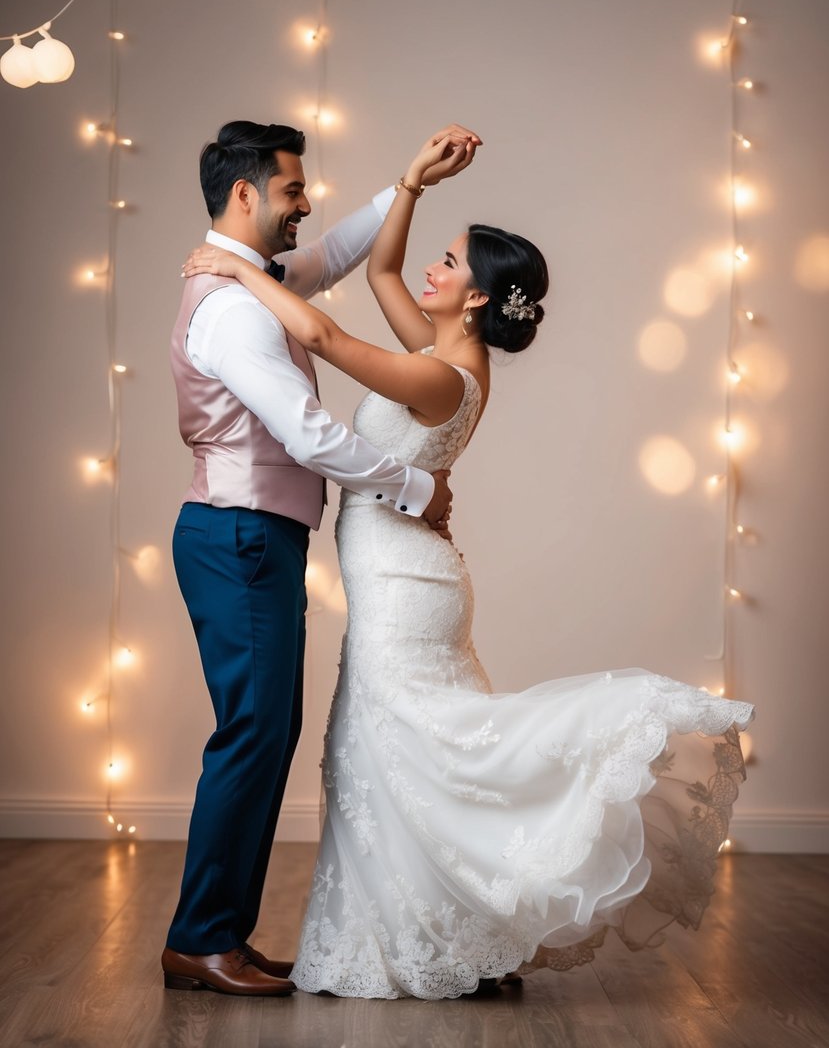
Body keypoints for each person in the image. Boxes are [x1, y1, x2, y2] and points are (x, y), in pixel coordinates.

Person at [183, 131, 755, 1001]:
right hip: (392, 569)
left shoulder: (444, 377)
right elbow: (373, 271)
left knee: (411, 751)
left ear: (477, 295)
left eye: (447, 262)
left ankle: (457, 924)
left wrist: (237, 272)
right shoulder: (435, 349)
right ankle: (450, 933)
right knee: (390, 757)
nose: (428, 269)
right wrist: (408, 184)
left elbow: (330, 339)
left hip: (405, 580)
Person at [163, 120, 478, 998]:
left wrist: (410, 182)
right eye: (294, 191)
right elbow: (304, 434)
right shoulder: (231, 306)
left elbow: (343, 254)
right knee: (256, 734)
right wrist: (413, 489)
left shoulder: (257, 278)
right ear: (246, 195)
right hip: (238, 534)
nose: (307, 205)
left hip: (252, 536)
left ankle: (218, 931)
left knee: (266, 733)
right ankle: (200, 940)